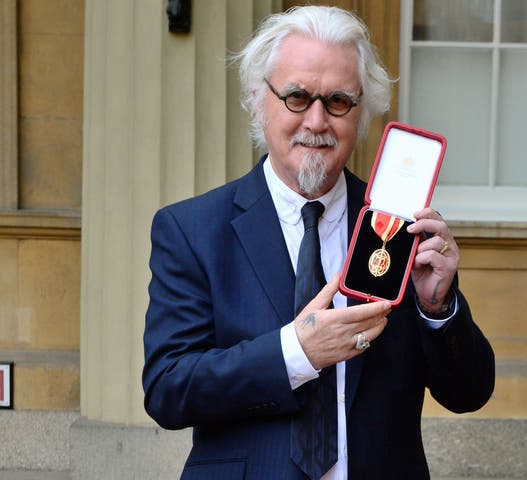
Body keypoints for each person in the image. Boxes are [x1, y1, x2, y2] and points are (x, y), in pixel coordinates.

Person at [142, 5, 494, 480]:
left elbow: (469, 392)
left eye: (338, 101)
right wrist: (296, 353)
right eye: (296, 96)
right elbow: (168, 389)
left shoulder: (398, 227)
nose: (316, 120)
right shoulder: (192, 229)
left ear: (361, 113)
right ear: (257, 100)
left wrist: (439, 307)